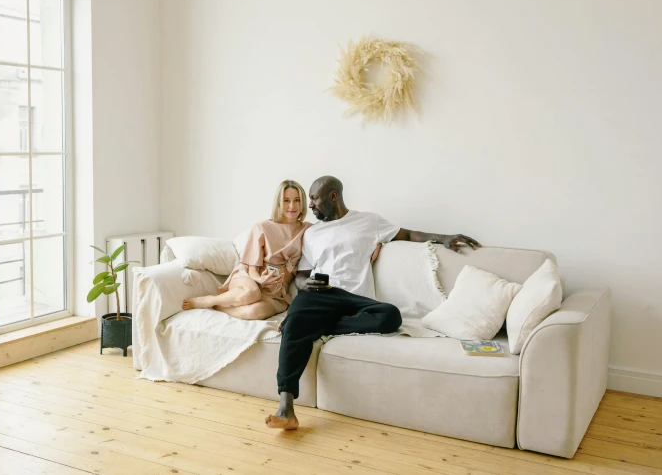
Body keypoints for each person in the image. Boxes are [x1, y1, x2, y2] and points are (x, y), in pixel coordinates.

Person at [265, 176, 481, 430]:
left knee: (390, 316)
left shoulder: (368, 221)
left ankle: (315, 326)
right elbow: (302, 274)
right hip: (320, 295)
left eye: (314, 198)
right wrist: (304, 284)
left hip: (357, 300)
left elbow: (408, 233)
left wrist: (443, 237)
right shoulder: (312, 233)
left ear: (333, 196)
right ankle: (286, 407)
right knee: (297, 319)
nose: (309, 205)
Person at [181, 180, 312, 320]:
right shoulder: (262, 227)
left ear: (302, 202)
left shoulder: (308, 230)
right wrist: (261, 279)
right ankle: (210, 300)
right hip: (249, 278)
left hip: (276, 292)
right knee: (252, 293)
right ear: (279, 203)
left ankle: (220, 307)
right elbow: (252, 270)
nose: (292, 206)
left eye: (297, 200)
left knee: (257, 312)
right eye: (286, 200)